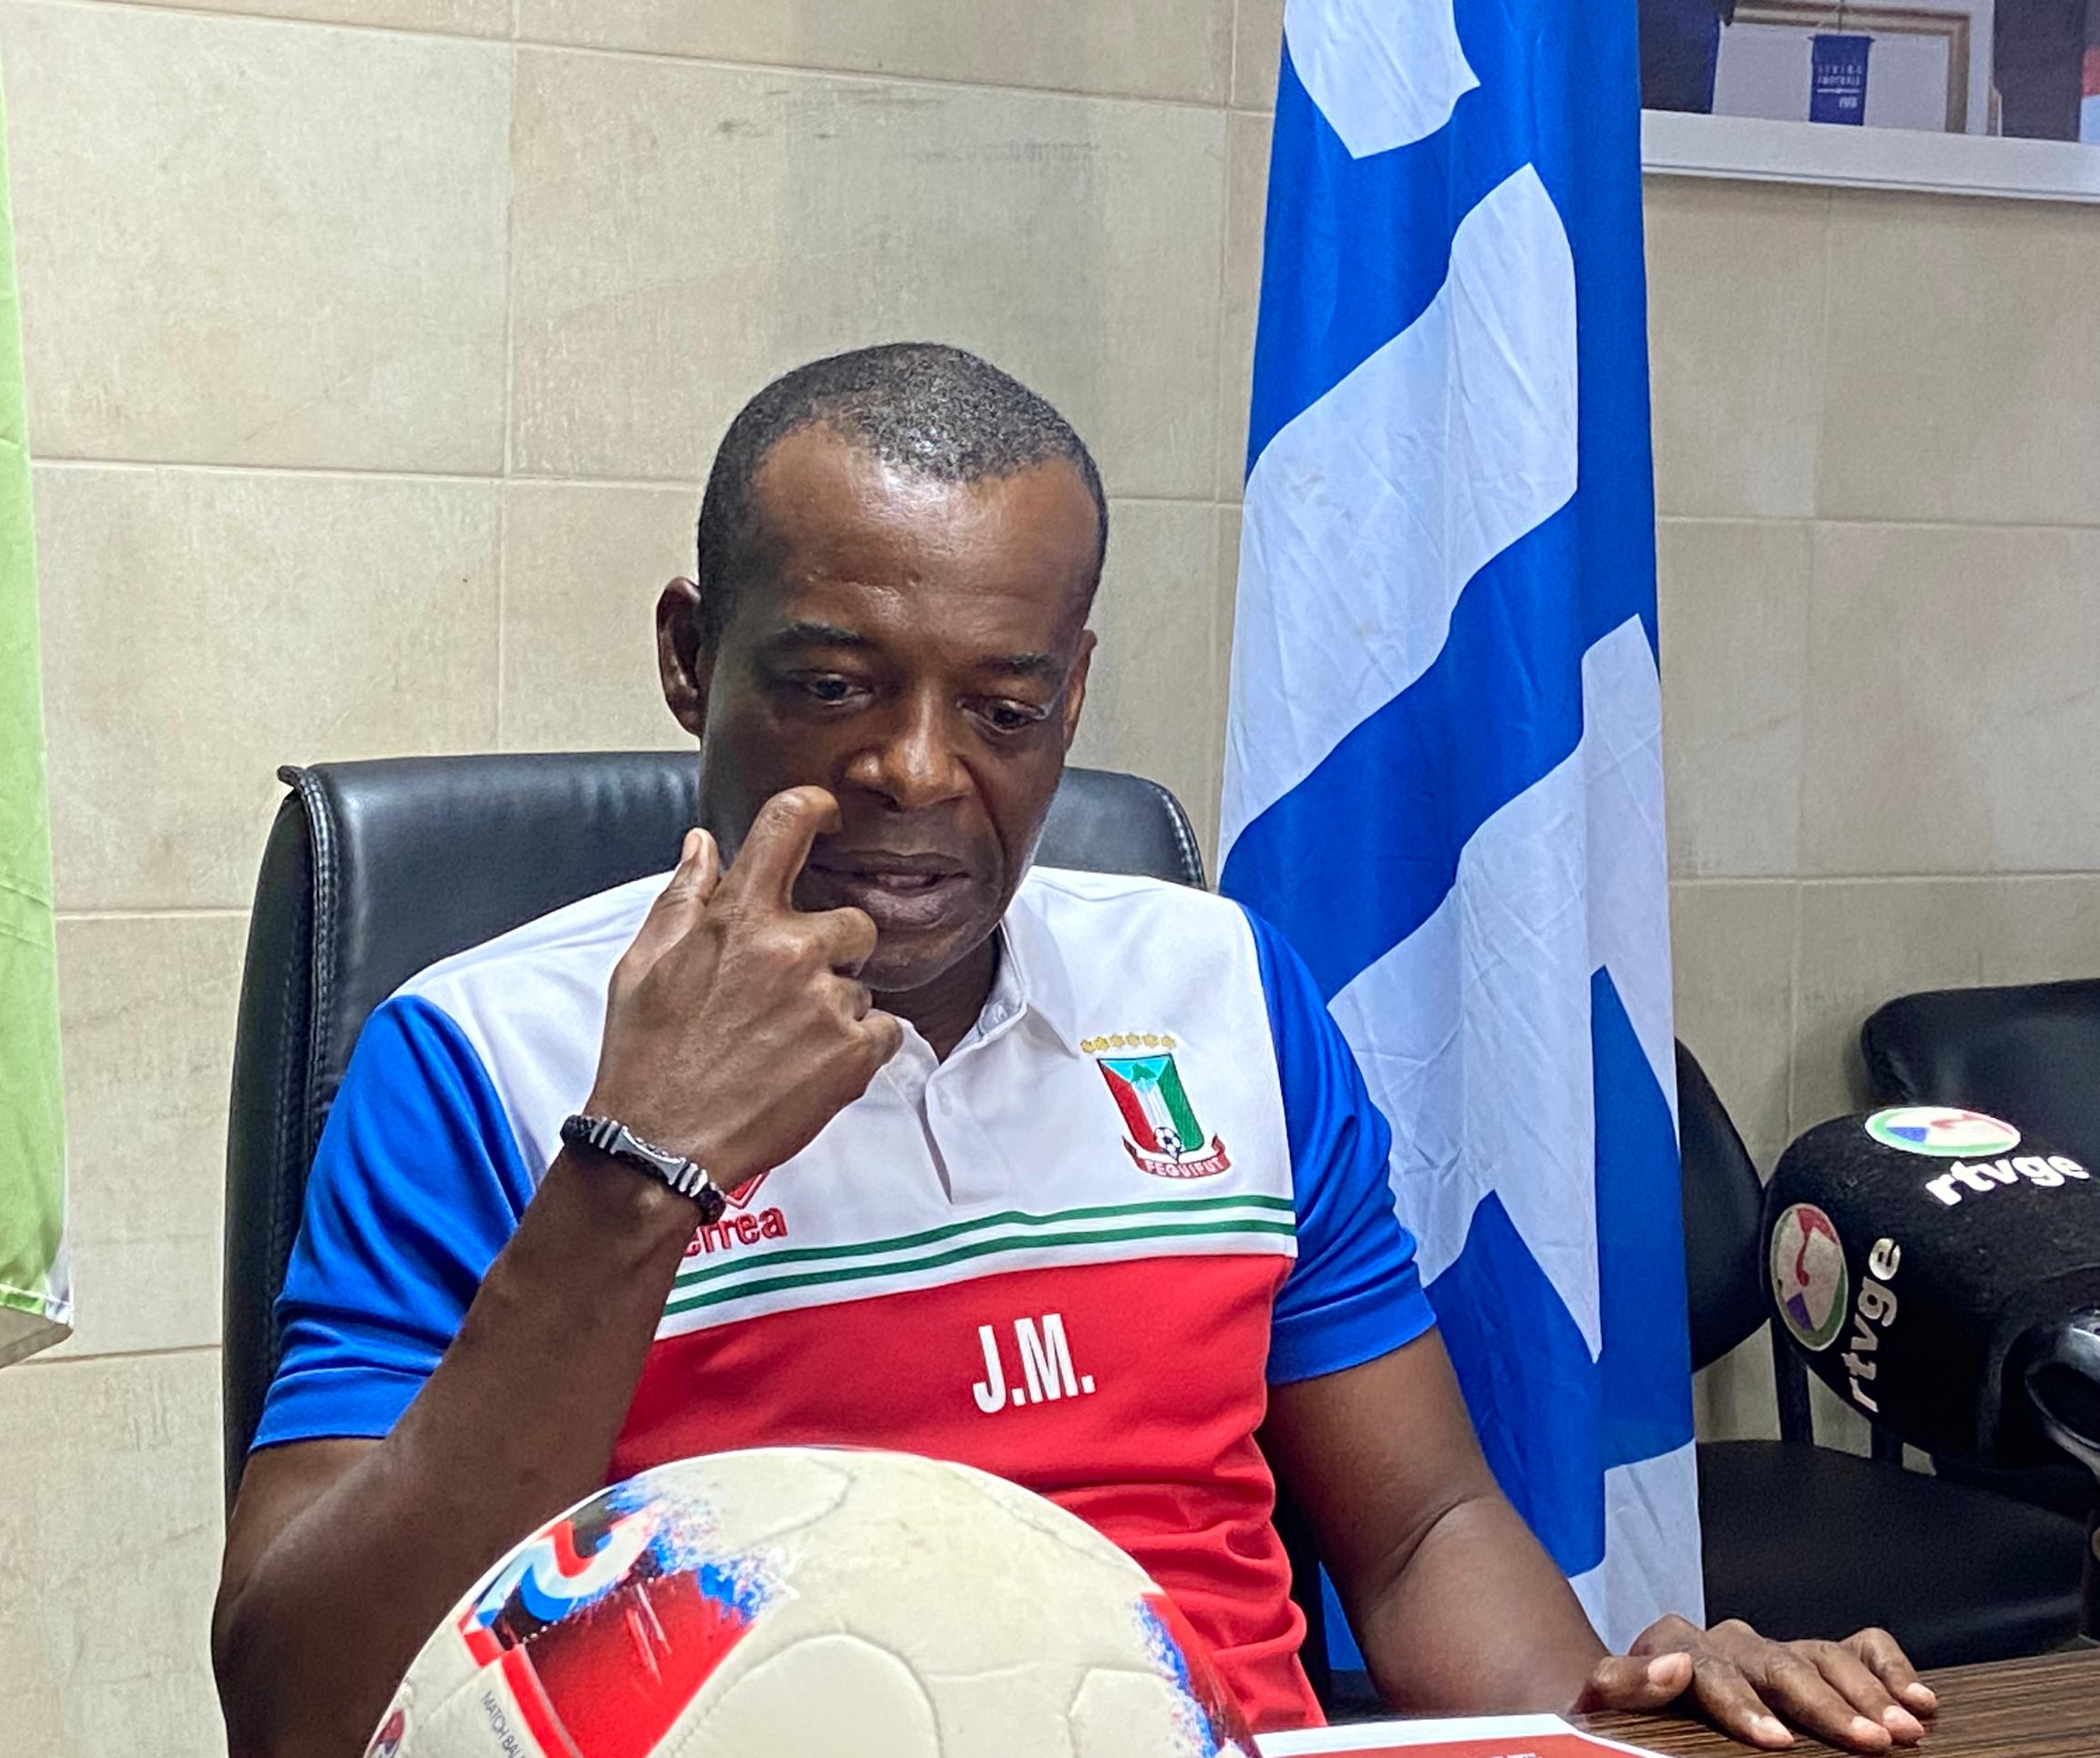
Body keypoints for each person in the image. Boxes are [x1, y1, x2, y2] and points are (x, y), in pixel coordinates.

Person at [212, 343, 1933, 1758]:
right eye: (832, 685)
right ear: (689, 656)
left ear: (1074, 697)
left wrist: (1604, 1724)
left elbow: (1420, 1535)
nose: (916, 769)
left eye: (1004, 707)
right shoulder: (477, 1058)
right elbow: (303, 1713)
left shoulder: (1223, 994)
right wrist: (636, 1171)